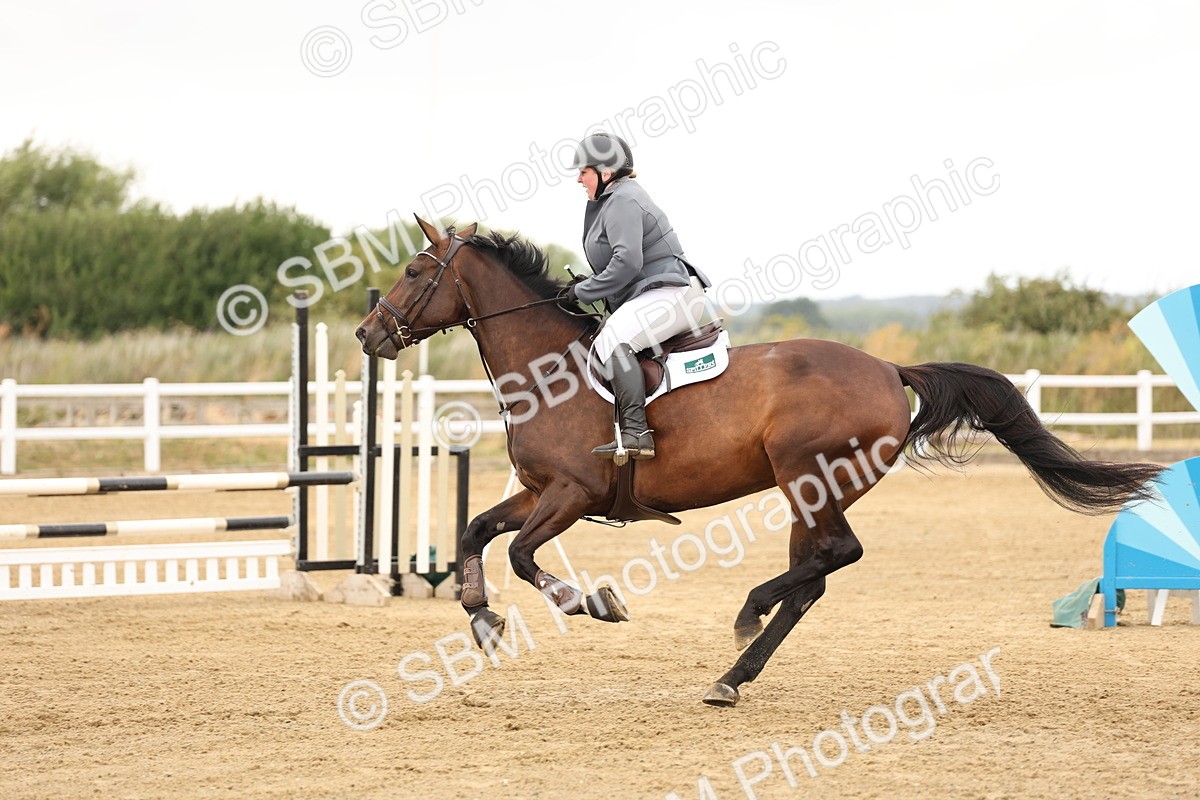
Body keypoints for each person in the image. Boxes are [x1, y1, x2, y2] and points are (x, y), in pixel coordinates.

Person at [558, 133, 713, 461]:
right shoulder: (612, 199)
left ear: (606, 172)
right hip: (658, 293)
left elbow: (628, 262)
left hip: (670, 293)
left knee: (612, 342)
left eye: (584, 171)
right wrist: (590, 283)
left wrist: (584, 291)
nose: (578, 178)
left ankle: (636, 433)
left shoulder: (623, 200)